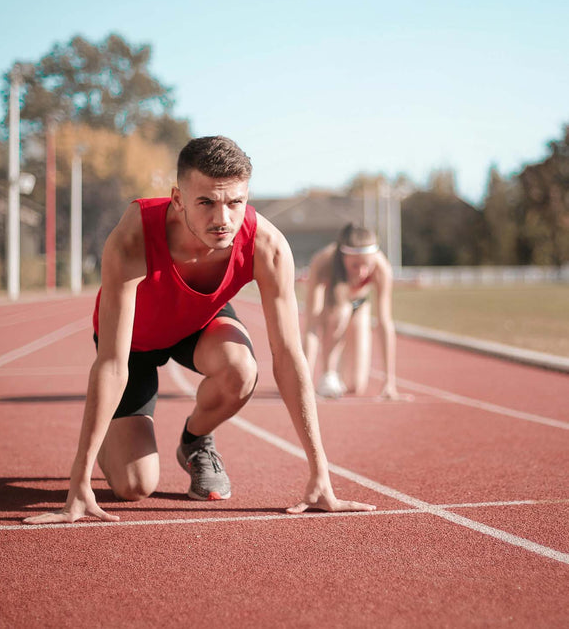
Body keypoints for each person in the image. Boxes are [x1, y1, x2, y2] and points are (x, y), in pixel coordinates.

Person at [25, 136, 375, 524]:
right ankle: (111, 431)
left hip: (198, 324)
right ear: (178, 199)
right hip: (134, 344)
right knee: (134, 487)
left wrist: (319, 474)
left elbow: (289, 357)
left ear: (247, 196)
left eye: (234, 202)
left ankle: (195, 442)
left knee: (242, 369)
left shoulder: (268, 246)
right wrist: (79, 483)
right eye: (206, 202)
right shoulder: (133, 236)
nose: (222, 219)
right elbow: (111, 362)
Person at [302, 223, 403, 400]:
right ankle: (328, 373)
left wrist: (389, 382)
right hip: (332, 306)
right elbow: (311, 326)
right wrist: (304, 382)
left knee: (355, 385)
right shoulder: (323, 262)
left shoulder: (381, 268)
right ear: (343, 258)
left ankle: (341, 372)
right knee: (341, 313)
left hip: (360, 305)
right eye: (355, 266)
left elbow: (384, 322)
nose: (362, 272)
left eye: (367, 265)